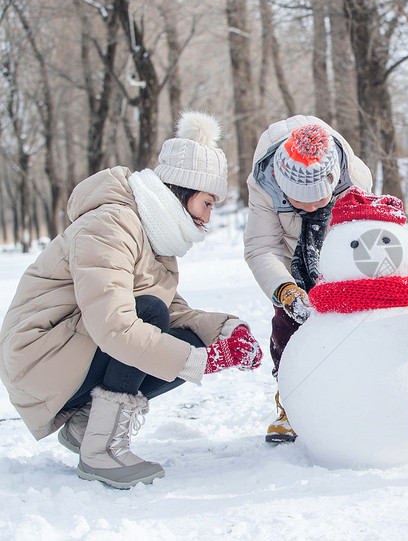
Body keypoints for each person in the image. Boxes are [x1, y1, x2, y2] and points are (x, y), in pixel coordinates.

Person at [0, 111, 263, 489]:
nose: (210, 215)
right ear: (183, 191)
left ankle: (86, 425)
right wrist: (198, 364)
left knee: (183, 336)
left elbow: (174, 310)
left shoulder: (152, 233)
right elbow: (116, 324)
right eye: (207, 202)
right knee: (148, 318)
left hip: (72, 352)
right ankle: (101, 451)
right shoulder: (111, 224)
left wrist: (223, 331)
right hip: (38, 360)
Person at [243, 116, 372, 442]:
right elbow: (261, 247)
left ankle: (354, 401)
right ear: (282, 186)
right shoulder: (264, 184)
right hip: (290, 262)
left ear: (332, 180)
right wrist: (286, 290)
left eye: (320, 199)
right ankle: (290, 404)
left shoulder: (353, 179)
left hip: (338, 260)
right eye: (302, 201)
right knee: (286, 328)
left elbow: (365, 236)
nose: (313, 207)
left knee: (350, 330)